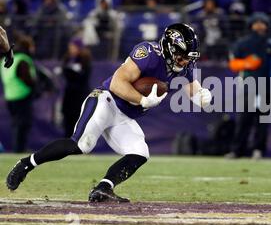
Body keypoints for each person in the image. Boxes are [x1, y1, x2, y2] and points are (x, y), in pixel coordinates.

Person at [6, 23, 212, 203]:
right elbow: (117, 83)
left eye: (188, 57)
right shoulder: (148, 53)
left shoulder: (184, 64)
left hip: (124, 116)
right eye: (182, 56)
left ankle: (103, 188)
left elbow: (192, 88)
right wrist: (142, 99)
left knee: (140, 152)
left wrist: (201, 95)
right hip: (106, 101)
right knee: (81, 145)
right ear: (169, 48)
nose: (185, 61)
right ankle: (26, 164)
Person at [225, 12, 271, 159]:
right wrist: (247, 63)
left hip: (266, 86)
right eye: (257, 22)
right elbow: (233, 63)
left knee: (263, 120)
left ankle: (258, 149)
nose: (260, 25)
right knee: (244, 119)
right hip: (248, 85)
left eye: (263, 22)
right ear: (251, 24)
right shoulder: (243, 43)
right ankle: (237, 150)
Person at [0, 32, 37, 152]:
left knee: (16, 125)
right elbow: (26, 79)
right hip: (22, 96)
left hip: (10, 96)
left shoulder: (6, 59)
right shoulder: (23, 59)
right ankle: (19, 149)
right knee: (23, 125)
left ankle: (18, 148)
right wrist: (35, 88)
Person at [60, 37, 92, 138]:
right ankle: (66, 145)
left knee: (79, 121)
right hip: (69, 95)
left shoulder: (85, 60)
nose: (71, 49)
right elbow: (66, 75)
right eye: (70, 47)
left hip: (80, 96)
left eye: (73, 47)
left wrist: (72, 72)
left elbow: (83, 77)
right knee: (67, 121)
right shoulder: (67, 59)